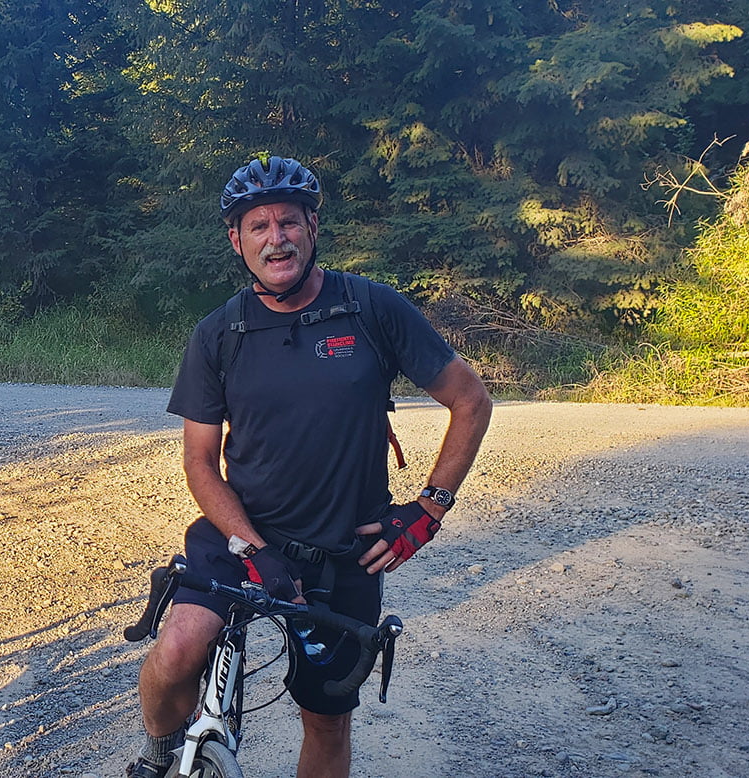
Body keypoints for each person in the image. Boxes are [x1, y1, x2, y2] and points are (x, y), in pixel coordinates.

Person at [129, 156, 492, 778]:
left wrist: (430, 508)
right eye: (259, 226)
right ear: (237, 240)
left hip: (342, 549)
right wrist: (253, 549)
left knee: (326, 720)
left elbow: (471, 400)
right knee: (178, 651)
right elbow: (200, 462)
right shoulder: (218, 334)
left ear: (312, 228)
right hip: (240, 535)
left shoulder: (371, 308)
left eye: (289, 222)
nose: (277, 239)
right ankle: (162, 749)